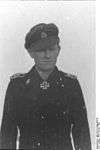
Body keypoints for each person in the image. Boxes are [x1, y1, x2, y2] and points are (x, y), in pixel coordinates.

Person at [0, 23, 91, 150]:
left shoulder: (71, 85)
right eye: (41, 50)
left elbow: (82, 133)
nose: (47, 55)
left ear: (58, 50)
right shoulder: (17, 86)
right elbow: (7, 134)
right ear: (30, 52)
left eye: (52, 49)